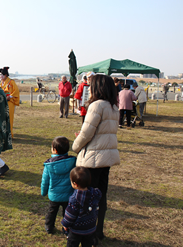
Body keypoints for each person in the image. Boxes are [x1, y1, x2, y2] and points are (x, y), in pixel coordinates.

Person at [72, 74, 120, 243]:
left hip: (92, 158)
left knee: (87, 197)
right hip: (106, 158)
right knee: (101, 195)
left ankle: (87, 232)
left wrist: (75, 146)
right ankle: (98, 231)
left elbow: (87, 133)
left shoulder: (97, 105)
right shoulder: (113, 106)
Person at [41, 136, 76, 234]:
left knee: (52, 212)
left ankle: (49, 226)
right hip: (68, 194)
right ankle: (67, 228)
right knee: (67, 213)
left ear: (55, 150)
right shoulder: (73, 162)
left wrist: (43, 192)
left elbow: (45, 180)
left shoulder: (49, 165)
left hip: (54, 195)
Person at [61, 167, 102, 247]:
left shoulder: (74, 199)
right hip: (90, 228)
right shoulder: (95, 194)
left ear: (75, 184)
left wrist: (65, 224)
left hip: (76, 230)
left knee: (72, 244)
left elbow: (70, 215)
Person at [0, 67, 20, 137]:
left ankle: (9, 134)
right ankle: (3, 133)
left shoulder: (11, 82)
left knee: (9, 118)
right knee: (2, 118)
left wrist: (10, 96)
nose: (0, 76)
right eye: (0, 75)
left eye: (1, 75)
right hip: (2, 102)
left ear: (5, 75)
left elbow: (16, 91)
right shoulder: (1, 83)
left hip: (9, 102)